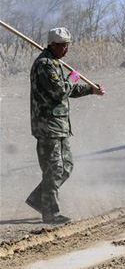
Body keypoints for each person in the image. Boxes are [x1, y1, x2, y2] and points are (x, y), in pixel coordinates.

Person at [25, 27, 105, 224]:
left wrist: (90, 90)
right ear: (52, 45)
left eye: (67, 45)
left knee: (66, 166)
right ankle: (51, 213)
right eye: (62, 46)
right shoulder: (45, 65)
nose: (66, 49)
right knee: (53, 169)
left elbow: (69, 90)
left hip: (60, 125)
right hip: (48, 126)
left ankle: (38, 198)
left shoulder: (55, 63)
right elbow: (60, 91)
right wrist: (73, 77)